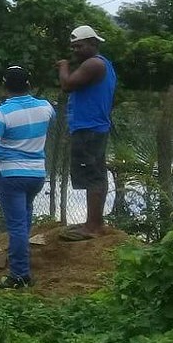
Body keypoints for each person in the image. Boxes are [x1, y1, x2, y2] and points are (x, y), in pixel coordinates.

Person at [0, 66, 56, 289]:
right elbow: (49, 123)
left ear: (4, 86)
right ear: (29, 85)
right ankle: (20, 257)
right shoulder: (46, 107)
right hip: (36, 173)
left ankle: (20, 275)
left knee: (16, 224)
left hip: (12, 175)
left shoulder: (0, 113)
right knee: (24, 218)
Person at [57, 24, 117, 241]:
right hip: (93, 127)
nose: (75, 51)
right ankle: (95, 222)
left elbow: (67, 85)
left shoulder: (93, 64)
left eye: (79, 46)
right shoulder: (102, 64)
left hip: (89, 128)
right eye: (73, 47)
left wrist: (63, 66)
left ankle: (92, 227)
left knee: (92, 175)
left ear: (93, 43)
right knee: (95, 173)